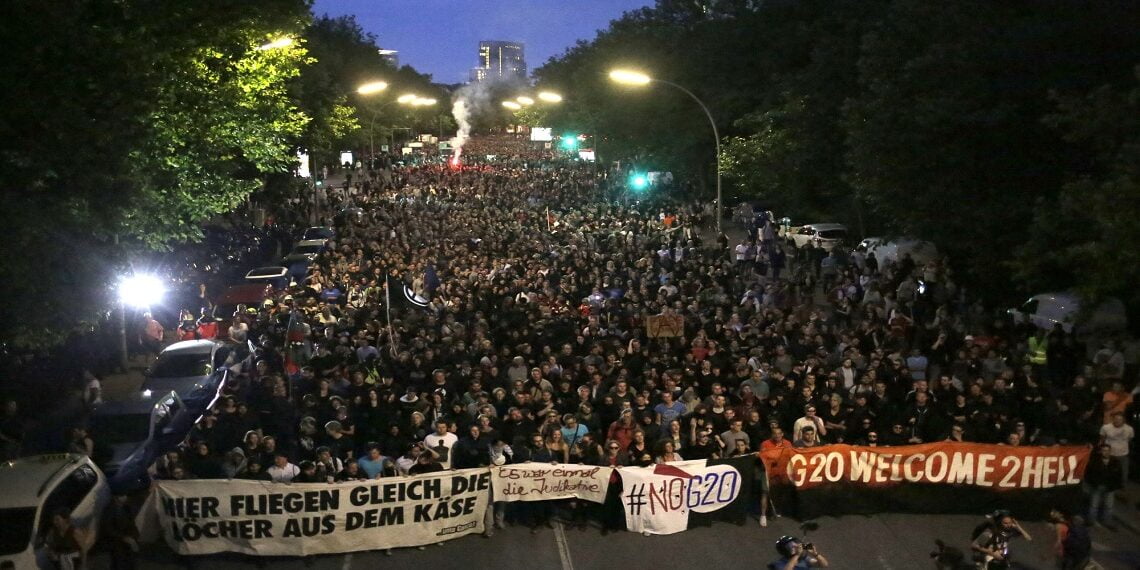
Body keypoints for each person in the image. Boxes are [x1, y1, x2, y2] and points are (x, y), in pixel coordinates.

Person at [1084, 443, 1123, 528]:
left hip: (1110, 488)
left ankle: (1107, 521)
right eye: (1104, 451)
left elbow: (1118, 475)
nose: (1106, 452)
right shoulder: (1095, 462)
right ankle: (1091, 521)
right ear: (1101, 452)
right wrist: (1094, 484)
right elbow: (1089, 474)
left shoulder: (1115, 462)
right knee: (1094, 505)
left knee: (1109, 506)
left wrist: (1116, 486)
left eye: (1108, 451)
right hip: (1098, 486)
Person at [102, 494, 139, 570]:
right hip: (116, 542)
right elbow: (108, 528)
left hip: (127, 541)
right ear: (116, 497)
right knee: (119, 563)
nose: (125, 497)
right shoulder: (109, 510)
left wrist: (134, 536)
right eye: (122, 495)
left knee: (130, 563)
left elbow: (131, 523)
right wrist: (123, 537)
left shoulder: (126, 508)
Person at [1099, 411, 1133, 488]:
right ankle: (1107, 487)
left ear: (1123, 420)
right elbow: (1102, 440)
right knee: (1108, 473)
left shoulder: (1129, 429)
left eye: (1120, 419)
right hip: (1109, 455)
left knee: (1124, 473)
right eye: (1116, 419)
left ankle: (1123, 488)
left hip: (1123, 454)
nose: (1117, 421)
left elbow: (1129, 439)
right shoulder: (1105, 427)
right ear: (1113, 419)